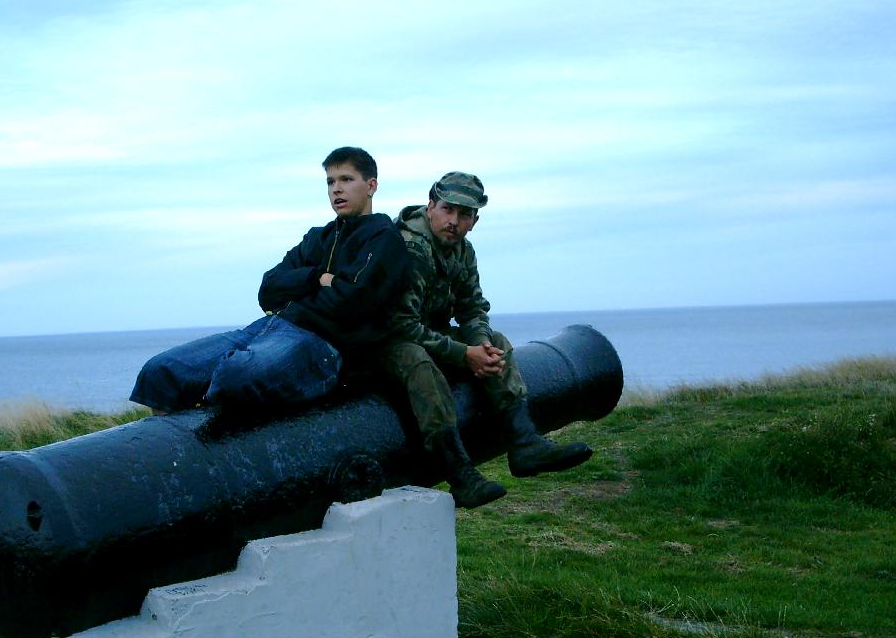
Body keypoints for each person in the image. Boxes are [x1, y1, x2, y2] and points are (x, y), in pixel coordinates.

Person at [130, 147, 409, 413]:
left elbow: (351, 302)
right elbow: (268, 289)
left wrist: (298, 292)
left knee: (234, 375)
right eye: (330, 181)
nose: (336, 189)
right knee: (160, 371)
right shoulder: (317, 237)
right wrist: (317, 277)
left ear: (371, 186)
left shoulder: (382, 237)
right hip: (271, 326)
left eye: (346, 179)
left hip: (321, 344)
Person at [382, 171, 592, 507]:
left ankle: (525, 443)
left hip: (427, 334)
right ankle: (460, 476)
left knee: (496, 341)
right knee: (418, 363)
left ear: (474, 221)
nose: (454, 221)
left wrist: (481, 346)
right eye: (448, 210)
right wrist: (464, 354)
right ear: (431, 206)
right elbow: (401, 325)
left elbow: (472, 308)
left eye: (464, 214)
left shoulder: (462, 251)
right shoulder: (410, 248)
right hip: (386, 340)